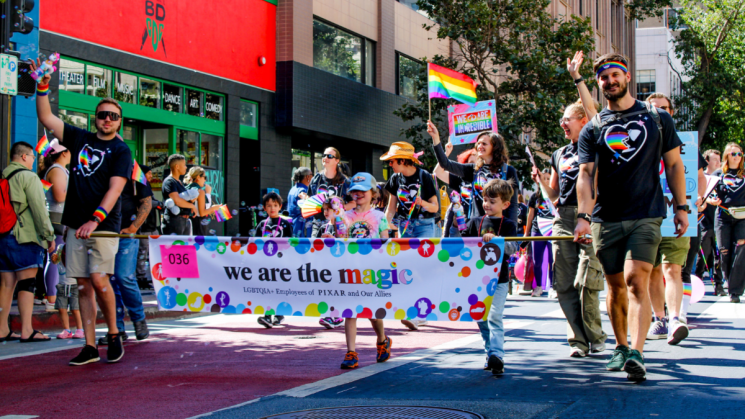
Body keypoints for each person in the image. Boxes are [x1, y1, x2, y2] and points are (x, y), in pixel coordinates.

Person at [574, 53, 688, 382]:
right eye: (603, 78)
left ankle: (637, 353)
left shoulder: (656, 117)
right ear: (598, 84)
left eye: (615, 75)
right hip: (606, 217)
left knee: (636, 280)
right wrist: (583, 216)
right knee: (614, 286)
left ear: (627, 77)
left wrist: (681, 207)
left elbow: (675, 165)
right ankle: (621, 346)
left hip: (647, 213)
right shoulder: (593, 128)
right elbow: (585, 174)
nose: (610, 81)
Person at [35, 58, 135, 365]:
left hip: (103, 224)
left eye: (113, 116)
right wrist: (42, 85)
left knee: (98, 278)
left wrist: (96, 219)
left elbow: (115, 189)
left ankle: (115, 333)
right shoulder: (79, 138)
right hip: (75, 223)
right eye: (103, 115)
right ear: (96, 117)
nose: (107, 119)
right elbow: (47, 117)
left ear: (120, 121)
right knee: (81, 284)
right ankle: (90, 346)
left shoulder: (121, 150)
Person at [532, 98, 607, 357]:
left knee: (586, 280)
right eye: (562, 120)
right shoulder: (559, 154)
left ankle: (595, 336)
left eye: (567, 119)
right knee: (563, 281)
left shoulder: (596, 145)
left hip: (592, 215)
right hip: (563, 218)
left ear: (583, 121)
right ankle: (577, 341)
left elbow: (596, 114)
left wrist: (577, 77)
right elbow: (554, 196)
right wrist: (541, 182)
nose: (562, 123)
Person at [644, 93, 705, 344]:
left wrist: (698, 197)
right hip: (647, 215)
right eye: (654, 109)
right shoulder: (641, 142)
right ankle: (660, 318)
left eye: (664, 108)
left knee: (673, 268)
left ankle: (676, 318)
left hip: (676, 214)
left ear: (672, 111)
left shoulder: (687, 145)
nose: (659, 112)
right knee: (652, 270)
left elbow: (698, 175)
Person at [0, 142, 56, 343]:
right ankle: (26, 330)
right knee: (27, 282)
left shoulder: (3, 175)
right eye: (32, 156)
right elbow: (39, 210)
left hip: (3, 236)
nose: (34, 160)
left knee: (6, 284)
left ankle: (2, 329)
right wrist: (49, 236)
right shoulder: (28, 177)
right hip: (24, 236)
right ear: (24, 157)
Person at [463, 179, 518, 375]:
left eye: (492, 201)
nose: (487, 204)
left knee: (494, 315)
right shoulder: (474, 222)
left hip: (500, 279)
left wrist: (497, 241)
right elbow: (462, 245)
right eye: (485, 200)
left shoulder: (509, 225)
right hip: (476, 279)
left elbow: (513, 249)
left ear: (505, 204)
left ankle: (497, 354)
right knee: (481, 318)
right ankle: (490, 354)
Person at [339, 173, 392, 369]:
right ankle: (351, 352)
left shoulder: (379, 217)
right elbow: (339, 241)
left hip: (372, 272)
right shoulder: (344, 216)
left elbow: (387, 244)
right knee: (350, 312)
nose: (358, 194)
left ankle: (382, 339)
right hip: (350, 271)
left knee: (373, 313)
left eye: (363, 190)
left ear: (373, 193)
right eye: (354, 190)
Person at [428, 123, 519, 223]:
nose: (479, 146)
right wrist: (436, 138)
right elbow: (445, 164)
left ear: (495, 147)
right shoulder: (473, 170)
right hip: (476, 226)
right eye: (478, 143)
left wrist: (511, 230)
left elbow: (513, 203)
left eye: (484, 144)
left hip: (500, 226)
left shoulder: (508, 171)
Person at [100, 175, 153, 345]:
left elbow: (147, 202)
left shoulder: (134, 171)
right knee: (109, 280)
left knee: (123, 276)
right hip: (104, 232)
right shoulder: (100, 167)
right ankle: (116, 329)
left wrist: (134, 227)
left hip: (125, 234)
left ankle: (138, 319)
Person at [709, 142, 745, 303]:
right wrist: (712, 201)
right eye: (733, 154)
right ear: (726, 156)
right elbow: (707, 194)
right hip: (723, 216)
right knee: (724, 252)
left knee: (740, 250)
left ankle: (735, 291)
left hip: (742, 217)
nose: (736, 157)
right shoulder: (718, 174)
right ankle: (728, 280)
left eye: (739, 154)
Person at [381, 142, 439, 239]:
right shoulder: (395, 178)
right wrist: (383, 228)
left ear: (402, 160)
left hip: (424, 225)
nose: (390, 165)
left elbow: (435, 207)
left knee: (422, 254)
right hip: (404, 226)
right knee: (405, 254)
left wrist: (422, 203)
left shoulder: (424, 176)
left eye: (392, 161)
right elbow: (391, 208)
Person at [254, 192, 293, 328]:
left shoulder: (285, 224)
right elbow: (256, 243)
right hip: (265, 263)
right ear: (264, 208)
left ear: (280, 206)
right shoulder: (261, 224)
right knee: (266, 288)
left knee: (279, 288)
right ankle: (267, 315)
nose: (272, 208)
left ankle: (279, 314)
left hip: (281, 262)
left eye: (275, 205)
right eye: (269, 206)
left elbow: (291, 243)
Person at [40, 141, 71, 312]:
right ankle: (51, 298)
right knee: (54, 257)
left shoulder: (59, 169)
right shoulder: (57, 170)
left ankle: (52, 297)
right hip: (57, 219)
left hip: (59, 218)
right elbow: (60, 196)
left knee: (55, 257)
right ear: (64, 153)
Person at [434, 143, 477, 237]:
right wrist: (446, 153)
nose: (473, 166)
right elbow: (437, 173)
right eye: (470, 162)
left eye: (476, 163)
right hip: (459, 221)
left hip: (478, 221)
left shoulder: (487, 179)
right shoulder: (460, 178)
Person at [308, 147, 353, 237]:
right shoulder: (316, 179)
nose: (325, 158)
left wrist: (339, 207)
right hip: (318, 223)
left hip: (338, 225)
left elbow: (353, 202)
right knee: (316, 249)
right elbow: (310, 198)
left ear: (337, 160)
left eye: (329, 156)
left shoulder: (345, 181)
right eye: (324, 155)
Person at [699, 150, 725, 296]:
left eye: (719, 160)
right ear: (707, 161)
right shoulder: (702, 179)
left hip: (718, 224)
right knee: (702, 258)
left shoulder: (721, 179)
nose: (718, 163)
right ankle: (696, 284)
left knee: (718, 256)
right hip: (704, 224)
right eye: (715, 160)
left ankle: (719, 286)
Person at [524, 171, 554, 298]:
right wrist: (527, 233)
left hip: (553, 229)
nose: (546, 181)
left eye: (548, 178)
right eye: (544, 178)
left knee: (553, 260)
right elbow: (530, 216)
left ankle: (553, 286)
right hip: (538, 230)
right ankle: (538, 287)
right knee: (537, 260)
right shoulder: (535, 197)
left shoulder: (555, 196)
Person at [136, 166, 160, 289]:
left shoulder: (147, 186)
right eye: (148, 173)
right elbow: (150, 203)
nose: (151, 176)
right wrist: (159, 204)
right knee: (143, 252)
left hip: (152, 226)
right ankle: (140, 277)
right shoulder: (139, 186)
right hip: (144, 227)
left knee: (153, 253)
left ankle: (151, 276)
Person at [162, 154, 196, 236]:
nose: (186, 167)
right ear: (177, 166)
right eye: (184, 165)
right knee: (175, 248)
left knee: (184, 248)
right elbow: (177, 200)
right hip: (175, 221)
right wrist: (192, 206)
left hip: (184, 220)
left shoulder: (178, 181)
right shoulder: (169, 181)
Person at [54, 258, 83, 340]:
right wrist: (54, 258)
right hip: (62, 285)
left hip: (74, 285)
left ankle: (80, 329)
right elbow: (55, 261)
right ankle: (66, 330)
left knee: (75, 309)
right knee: (61, 308)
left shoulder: (75, 247)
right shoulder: (61, 248)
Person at [185, 166, 217, 236]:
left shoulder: (186, 188)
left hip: (188, 223)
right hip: (199, 224)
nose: (205, 180)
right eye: (204, 177)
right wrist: (214, 208)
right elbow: (202, 213)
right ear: (198, 177)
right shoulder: (200, 191)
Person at [288, 167, 312, 237]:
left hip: (293, 224)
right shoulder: (303, 190)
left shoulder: (293, 189)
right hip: (302, 226)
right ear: (307, 177)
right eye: (311, 174)